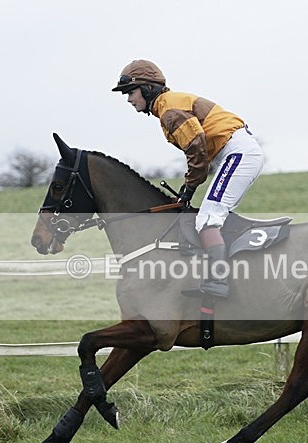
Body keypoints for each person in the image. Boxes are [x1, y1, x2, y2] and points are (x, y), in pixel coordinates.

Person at [112, 59, 264, 299]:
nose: (129, 99)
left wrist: (189, 188)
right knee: (210, 215)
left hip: (237, 152)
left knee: (207, 218)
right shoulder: (168, 107)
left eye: (131, 92)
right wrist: (189, 186)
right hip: (237, 151)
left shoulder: (170, 111)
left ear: (148, 88)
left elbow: (197, 149)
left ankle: (218, 281)